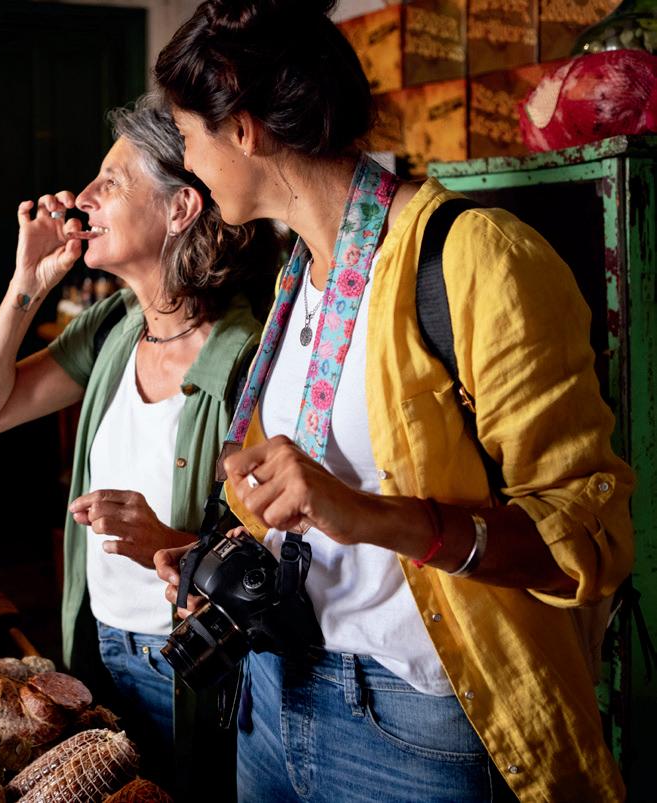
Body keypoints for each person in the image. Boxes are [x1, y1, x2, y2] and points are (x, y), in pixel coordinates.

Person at [151, 1, 635, 801]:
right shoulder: (299, 276)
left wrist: (371, 515)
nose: (186, 162)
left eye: (186, 136)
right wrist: (228, 550)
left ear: (241, 129)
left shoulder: (475, 257)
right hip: (271, 692)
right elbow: (316, 494)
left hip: (412, 726)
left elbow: (585, 539)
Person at [0, 93, 281, 790]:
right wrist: (27, 283)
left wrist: (171, 541)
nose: (82, 198)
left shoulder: (248, 357)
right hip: (98, 648)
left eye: (112, 181)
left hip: (195, 673)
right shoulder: (114, 327)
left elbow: (279, 563)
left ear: (180, 208)